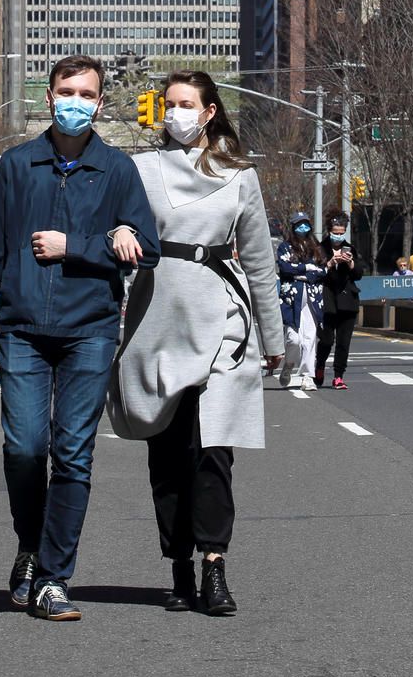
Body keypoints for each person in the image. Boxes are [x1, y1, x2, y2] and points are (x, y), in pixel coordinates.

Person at [0, 54, 160, 623]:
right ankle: (31, 545)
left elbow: (148, 248)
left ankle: (52, 578)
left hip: (90, 331)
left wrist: (81, 246)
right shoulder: (18, 165)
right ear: (48, 99)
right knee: (24, 448)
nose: (76, 102)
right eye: (67, 92)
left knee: (73, 454)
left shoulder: (117, 169)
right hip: (22, 330)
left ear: (100, 103)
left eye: (86, 94)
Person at [109, 71, 283, 617]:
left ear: (209, 113)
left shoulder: (240, 175)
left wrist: (273, 335)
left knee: (213, 451)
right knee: (166, 453)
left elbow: (260, 260)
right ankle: (179, 566)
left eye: (186, 104)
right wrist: (118, 232)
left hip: (224, 320)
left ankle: (214, 564)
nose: (174, 113)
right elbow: (110, 224)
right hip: (158, 319)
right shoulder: (139, 169)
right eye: (169, 104)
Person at [314, 208, 363, 391]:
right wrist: (330, 263)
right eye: (336, 233)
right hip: (327, 299)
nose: (339, 236)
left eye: (342, 233)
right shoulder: (320, 249)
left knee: (344, 342)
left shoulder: (350, 249)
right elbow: (314, 272)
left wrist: (350, 262)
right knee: (326, 340)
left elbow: (359, 274)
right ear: (329, 231)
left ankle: (338, 376)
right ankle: (319, 365)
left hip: (348, 301)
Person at [276, 211, 325, 390]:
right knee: (293, 339)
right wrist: (306, 268)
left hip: (313, 297)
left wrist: (304, 273)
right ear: (293, 227)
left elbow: (322, 270)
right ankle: (289, 364)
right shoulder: (285, 247)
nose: (303, 227)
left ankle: (307, 376)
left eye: (305, 224)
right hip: (291, 299)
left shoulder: (316, 248)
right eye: (299, 224)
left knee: (309, 338)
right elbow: (285, 267)